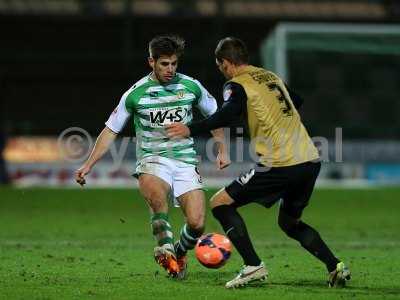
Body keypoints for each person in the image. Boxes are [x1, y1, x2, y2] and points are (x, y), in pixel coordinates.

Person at [166, 37, 350, 288]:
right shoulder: (269, 76)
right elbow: (295, 100)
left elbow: (227, 113)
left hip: (281, 162)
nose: (221, 70)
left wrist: (191, 128)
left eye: (220, 65)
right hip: (309, 159)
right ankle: (335, 266)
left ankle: (253, 265)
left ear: (227, 63)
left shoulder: (236, 84)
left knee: (220, 203)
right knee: (289, 223)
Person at [75, 35, 230, 279]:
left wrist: (223, 149)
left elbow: (216, 116)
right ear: (151, 62)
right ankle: (165, 247)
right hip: (152, 158)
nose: (170, 69)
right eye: (164, 64)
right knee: (158, 199)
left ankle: (177, 252)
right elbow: (110, 130)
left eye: (174, 64)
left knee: (198, 224)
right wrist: (88, 164)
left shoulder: (191, 86)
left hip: (185, 161)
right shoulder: (135, 94)